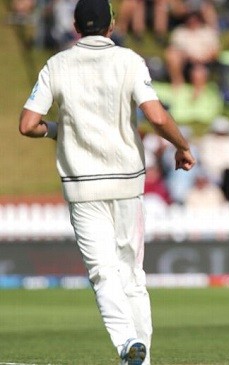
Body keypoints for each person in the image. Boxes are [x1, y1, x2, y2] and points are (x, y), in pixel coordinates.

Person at [17, 0, 196, 364]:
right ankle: (141, 358)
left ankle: (127, 342)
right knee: (131, 274)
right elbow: (157, 115)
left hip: (83, 186)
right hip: (127, 182)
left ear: (75, 26)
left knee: (103, 273)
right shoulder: (128, 60)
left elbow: (27, 124)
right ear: (111, 26)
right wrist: (182, 146)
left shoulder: (57, 64)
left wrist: (58, 130)